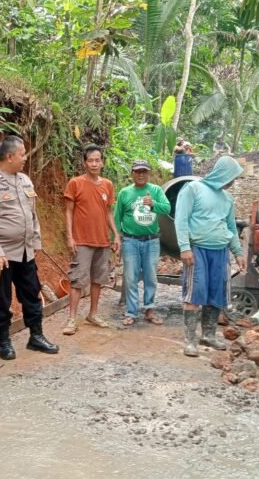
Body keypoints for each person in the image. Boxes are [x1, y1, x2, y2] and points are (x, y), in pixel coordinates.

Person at [0, 135, 59, 360]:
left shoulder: (25, 181)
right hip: (0, 255)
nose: (25, 159)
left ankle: (36, 336)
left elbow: (32, 215)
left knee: (31, 293)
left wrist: (35, 241)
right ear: (9, 156)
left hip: (25, 251)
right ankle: (3, 341)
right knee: (1, 298)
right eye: (22, 155)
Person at [175, 156, 247, 357]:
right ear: (223, 173)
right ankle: (190, 340)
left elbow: (231, 227)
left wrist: (238, 252)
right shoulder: (193, 189)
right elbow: (181, 219)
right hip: (197, 249)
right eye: (232, 176)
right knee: (194, 293)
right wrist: (184, 247)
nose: (233, 181)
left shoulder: (227, 198)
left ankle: (208, 334)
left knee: (217, 293)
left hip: (221, 251)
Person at [62, 143, 121, 335]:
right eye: (90, 160)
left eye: (97, 160)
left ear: (102, 162)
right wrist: (70, 237)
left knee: (98, 279)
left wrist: (116, 235)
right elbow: (69, 212)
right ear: (85, 163)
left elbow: (109, 213)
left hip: (103, 240)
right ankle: (71, 319)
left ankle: (93, 314)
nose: (94, 164)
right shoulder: (75, 183)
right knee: (78, 280)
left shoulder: (108, 185)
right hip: (82, 240)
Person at [114, 159, 172, 326]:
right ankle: (131, 312)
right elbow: (117, 218)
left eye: (144, 171)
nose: (140, 174)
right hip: (130, 241)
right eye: (137, 171)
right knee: (131, 277)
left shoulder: (156, 190)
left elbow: (167, 209)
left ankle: (149, 310)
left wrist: (153, 204)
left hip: (151, 241)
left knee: (151, 277)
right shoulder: (125, 193)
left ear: (148, 173)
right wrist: (116, 239)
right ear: (132, 173)